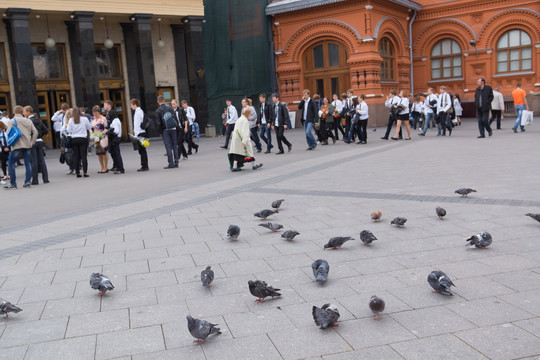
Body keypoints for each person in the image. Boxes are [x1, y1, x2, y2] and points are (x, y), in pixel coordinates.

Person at [4, 105, 38, 189]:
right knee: (28, 163)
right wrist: (32, 142)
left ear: (15, 112)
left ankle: (13, 183)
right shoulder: (28, 121)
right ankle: (27, 182)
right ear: (22, 112)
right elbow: (35, 132)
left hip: (17, 145)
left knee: (11, 163)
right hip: (27, 145)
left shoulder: (12, 121)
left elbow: (8, 133)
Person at [228, 108, 263, 172]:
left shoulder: (239, 119)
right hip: (241, 138)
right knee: (248, 151)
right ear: (248, 114)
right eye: (250, 114)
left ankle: (234, 166)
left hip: (236, 137)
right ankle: (254, 165)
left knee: (236, 152)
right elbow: (245, 131)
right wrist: (244, 141)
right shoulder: (245, 121)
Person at [23, 106, 49, 185]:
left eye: (24, 112)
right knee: (42, 160)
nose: (23, 113)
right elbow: (46, 130)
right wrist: (40, 135)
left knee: (34, 161)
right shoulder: (38, 120)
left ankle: (35, 180)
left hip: (32, 141)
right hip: (40, 141)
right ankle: (45, 179)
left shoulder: (28, 121)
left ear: (28, 112)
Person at [67, 108, 92, 178]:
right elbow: (89, 127)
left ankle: (78, 172)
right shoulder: (84, 119)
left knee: (76, 156)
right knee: (84, 156)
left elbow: (68, 130)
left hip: (74, 138)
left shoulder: (71, 120)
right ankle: (85, 172)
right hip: (83, 138)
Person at [156, 95, 179, 168]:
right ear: (164, 100)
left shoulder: (158, 110)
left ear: (158, 101)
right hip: (173, 129)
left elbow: (158, 123)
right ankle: (176, 162)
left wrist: (160, 131)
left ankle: (171, 163)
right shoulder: (170, 108)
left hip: (165, 130)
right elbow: (175, 118)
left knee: (168, 147)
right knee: (175, 145)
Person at [130, 99, 149, 171]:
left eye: (131, 105)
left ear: (135, 105)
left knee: (142, 150)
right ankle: (144, 165)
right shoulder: (139, 111)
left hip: (140, 133)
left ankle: (144, 166)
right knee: (142, 150)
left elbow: (137, 125)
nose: (131, 107)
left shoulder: (138, 112)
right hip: (141, 132)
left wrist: (136, 135)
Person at [91, 105, 109, 174]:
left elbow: (106, 128)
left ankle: (106, 167)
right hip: (96, 138)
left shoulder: (103, 119)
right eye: (94, 113)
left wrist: (102, 133)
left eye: (96, 113)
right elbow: (91, 128)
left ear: (99, 112)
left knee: (104, 152)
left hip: (102, 137)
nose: (95, 114)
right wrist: (92, 134)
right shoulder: (92, 119)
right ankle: (101, 167)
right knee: (99, 153)